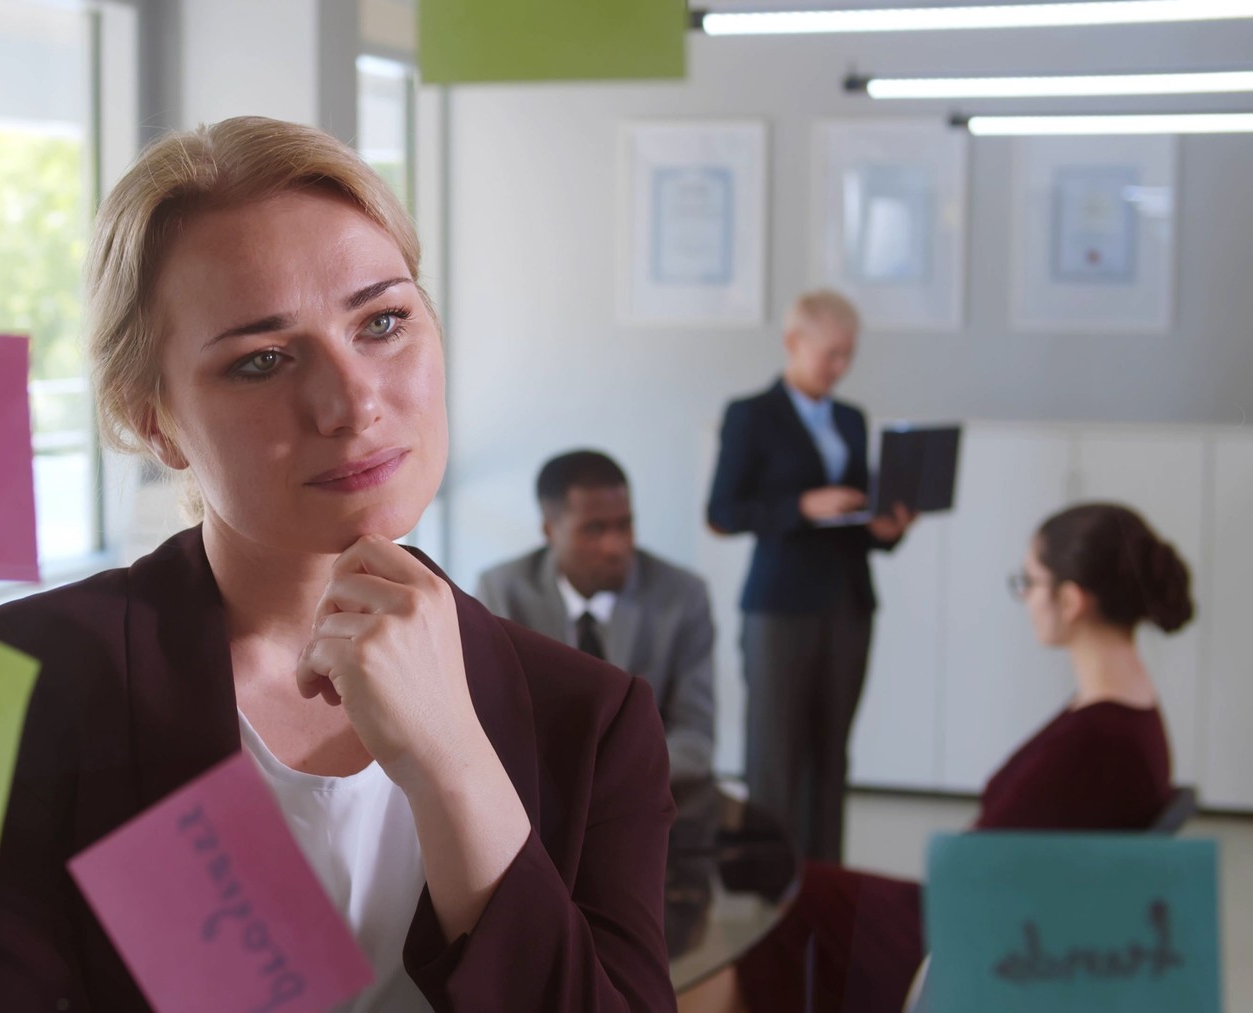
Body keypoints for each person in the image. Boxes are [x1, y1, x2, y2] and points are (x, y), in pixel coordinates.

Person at [0, 117, 676, 1011]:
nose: (352, 403)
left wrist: (450, 758)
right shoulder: (17, 682)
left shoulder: (593, 719)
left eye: (383, 321)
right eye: (263, 360)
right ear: (151, 417)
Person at [688, 502, 1190, 1013]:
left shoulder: (1096, 739)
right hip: (983, 917)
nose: (1026, 598)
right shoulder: (1129, 710)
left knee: (774, 905)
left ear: (1071, 600)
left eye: (1030, 582)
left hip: (966, 941)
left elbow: (978, 877)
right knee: (784, 888)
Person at [705, 290, 915, 863]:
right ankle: (768, 882)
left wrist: (886, 527)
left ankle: (825, 879)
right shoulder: (750, 415)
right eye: (831, 353)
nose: (841, 367)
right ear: (793, 343)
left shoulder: (851, 418)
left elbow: (854, 517)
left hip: (848, 602)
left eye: (849, 355)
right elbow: (722, 513)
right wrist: (802, 505)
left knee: (831, 754)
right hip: (780, 606)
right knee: (776, 753)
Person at [477, 450, 717, 780]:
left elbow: (695, 737)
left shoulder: (681, 595)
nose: (615, 547)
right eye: (594, 529)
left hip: (645, 789)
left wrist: (612, 782)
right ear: (550, 530)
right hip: (538, 791)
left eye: (625, 525)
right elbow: (490, 719)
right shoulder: (503, 591)